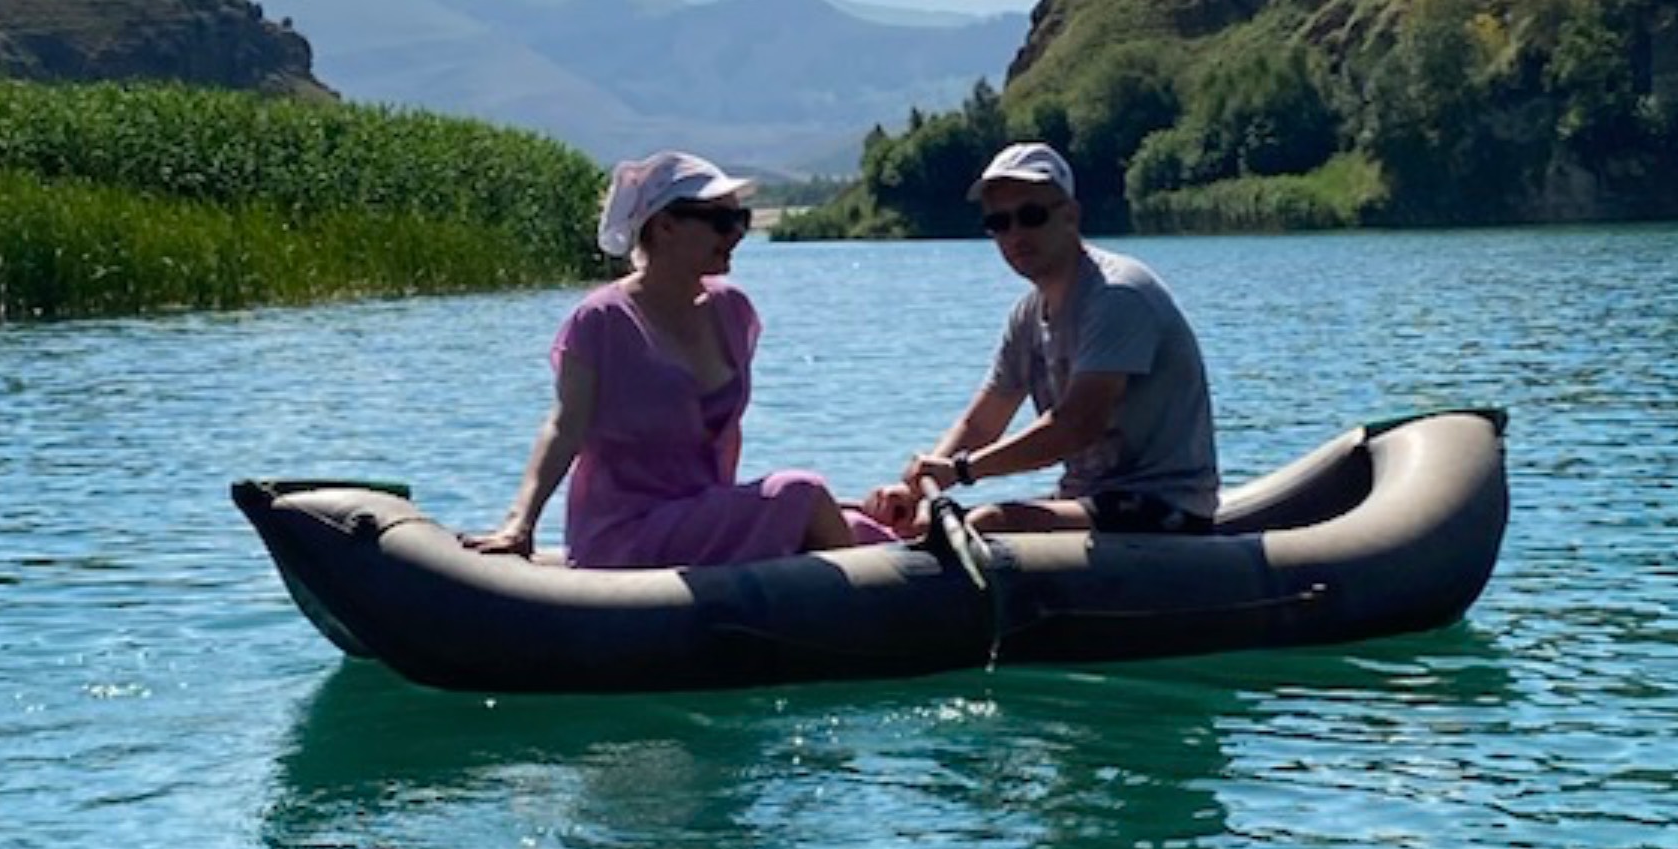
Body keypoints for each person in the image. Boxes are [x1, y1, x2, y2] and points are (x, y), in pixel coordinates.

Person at [471, 151, 891, 567]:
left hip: (701, 515)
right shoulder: (602, 320)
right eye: (721, 222)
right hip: (627, 530)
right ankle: (873, 624)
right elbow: (565, 427)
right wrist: (519, 525)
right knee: (803, 492)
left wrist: (743, 509)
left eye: (740, 220)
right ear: (666, 225)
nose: (737, 235)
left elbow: (724, 438)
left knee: (861, 528)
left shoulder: (733, 311)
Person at [888, 140, 1220, 536]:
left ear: (1071, 216)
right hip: (1088, 501)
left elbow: (1077, 425)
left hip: (1166, 505)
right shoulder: (1027, 316)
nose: (1015, 233)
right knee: (936, 525)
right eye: (999, 222)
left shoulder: (1118, 295)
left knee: (992, 523)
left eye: (1031, 215)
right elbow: (980, 424)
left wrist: (961, 471)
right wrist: (920, 486)